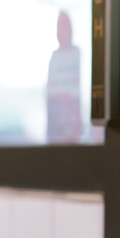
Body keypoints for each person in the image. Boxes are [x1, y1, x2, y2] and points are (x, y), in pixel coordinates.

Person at [46, 11, 83, 143]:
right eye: (59, 26)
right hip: (56, 122)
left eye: (65, 25)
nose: (62, 30)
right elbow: (50, 92)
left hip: (72, 122)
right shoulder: (53, 57)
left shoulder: (78, 54)